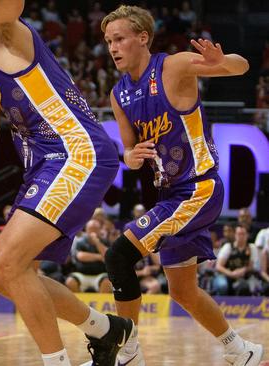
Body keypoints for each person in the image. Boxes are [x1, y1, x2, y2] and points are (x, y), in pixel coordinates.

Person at [0, 1, 133, 365]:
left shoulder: (1, 27)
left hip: (77, 152)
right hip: (44, 165)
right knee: (8, 275)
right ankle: (107, 330)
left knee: (6, 261)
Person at [101, 5, 263, 365]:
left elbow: (241, 67)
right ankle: (242, 350)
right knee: (183, 290)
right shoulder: (119, 93)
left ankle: (128, 354)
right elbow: (128, 148)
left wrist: (224, 59)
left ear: (143, 37)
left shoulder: (172, 67)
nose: (112, 47)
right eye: (109, 41)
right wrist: (130, 156)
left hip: (198, 188)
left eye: (120, 38)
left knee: (118, 256)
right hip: (170, 193)